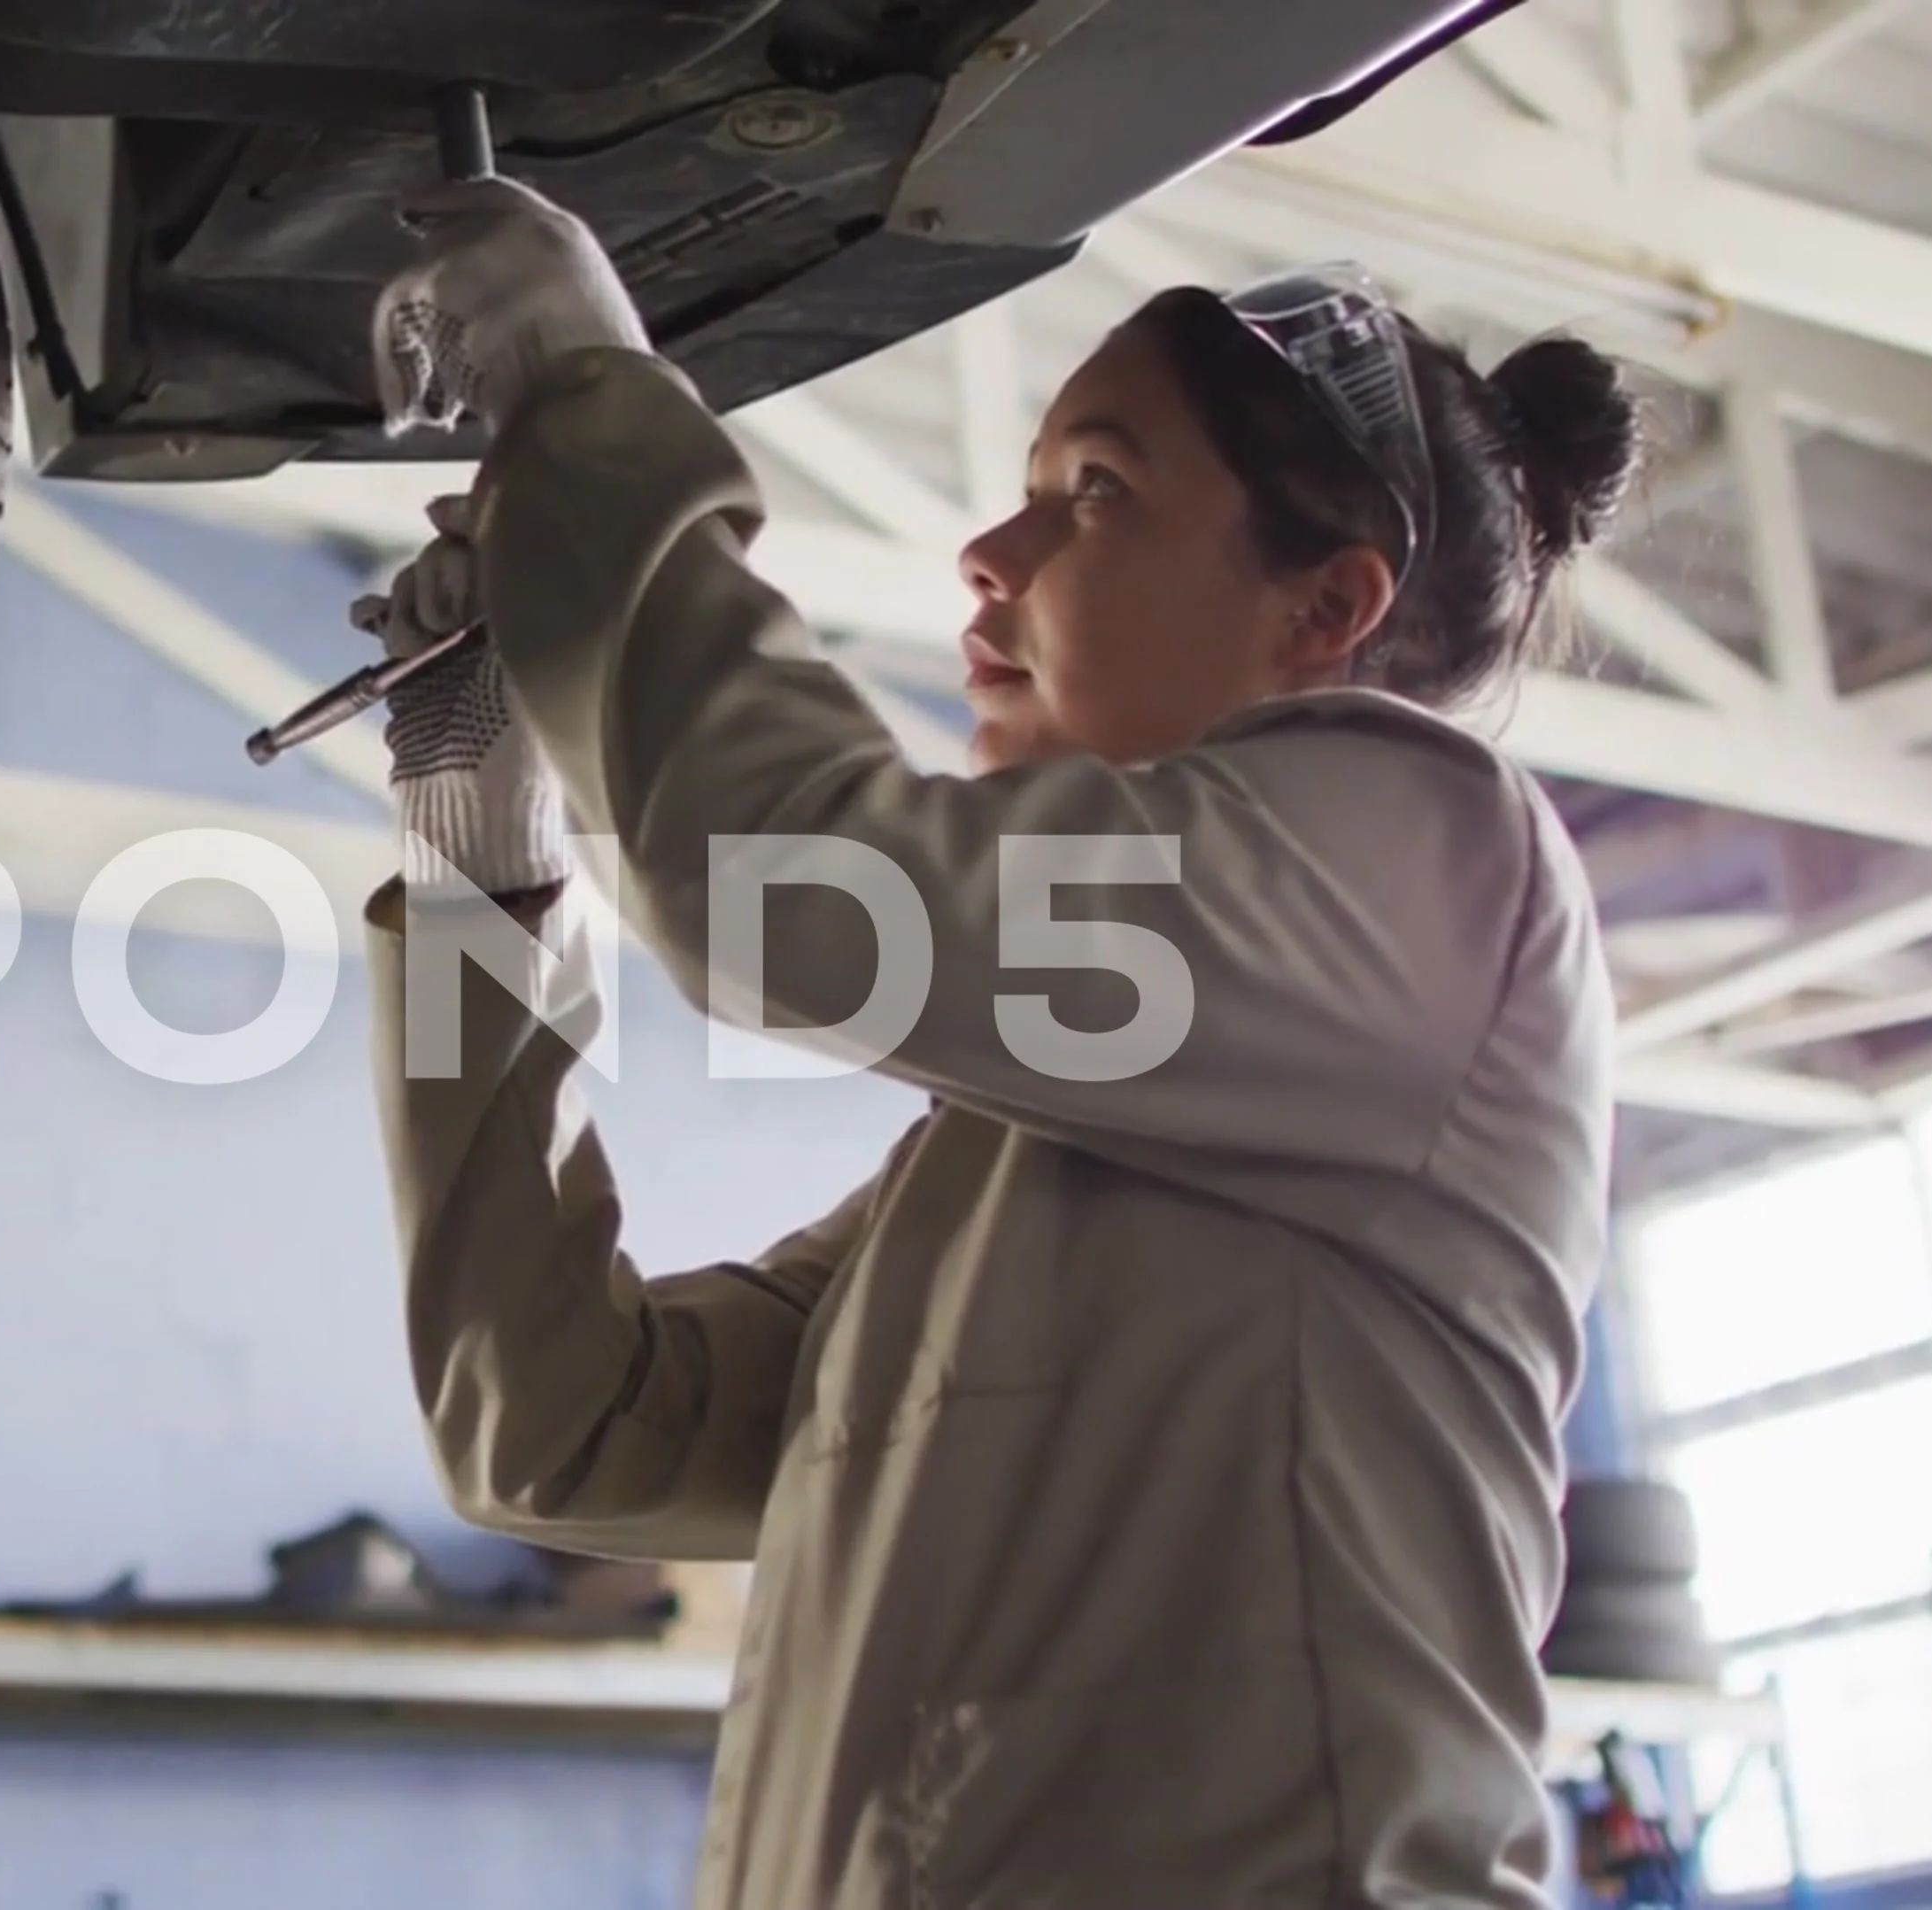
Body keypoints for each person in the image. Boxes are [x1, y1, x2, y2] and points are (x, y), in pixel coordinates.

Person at [348, 175, 1644, 1909]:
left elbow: (786, 891)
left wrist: (591, 391)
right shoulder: (1022, 1165)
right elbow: (571, 1429)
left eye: (1090, 492)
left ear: (1324, 608)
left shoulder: (1436, 857)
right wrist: (477, 860)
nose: (987, 552)